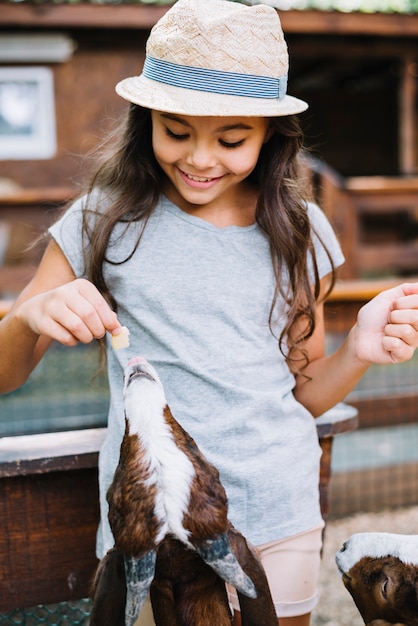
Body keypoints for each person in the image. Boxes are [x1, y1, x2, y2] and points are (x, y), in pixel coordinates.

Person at [1, 1, 418, 624]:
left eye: (231, 138)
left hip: (278, 506)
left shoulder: (300, 231)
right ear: (146, 122)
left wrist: (357, 350)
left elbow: (301, 394)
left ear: (270, 135)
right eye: (176, 130)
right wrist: (30, 316)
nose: (200, 159)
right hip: (149, 525)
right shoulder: (102, 218)